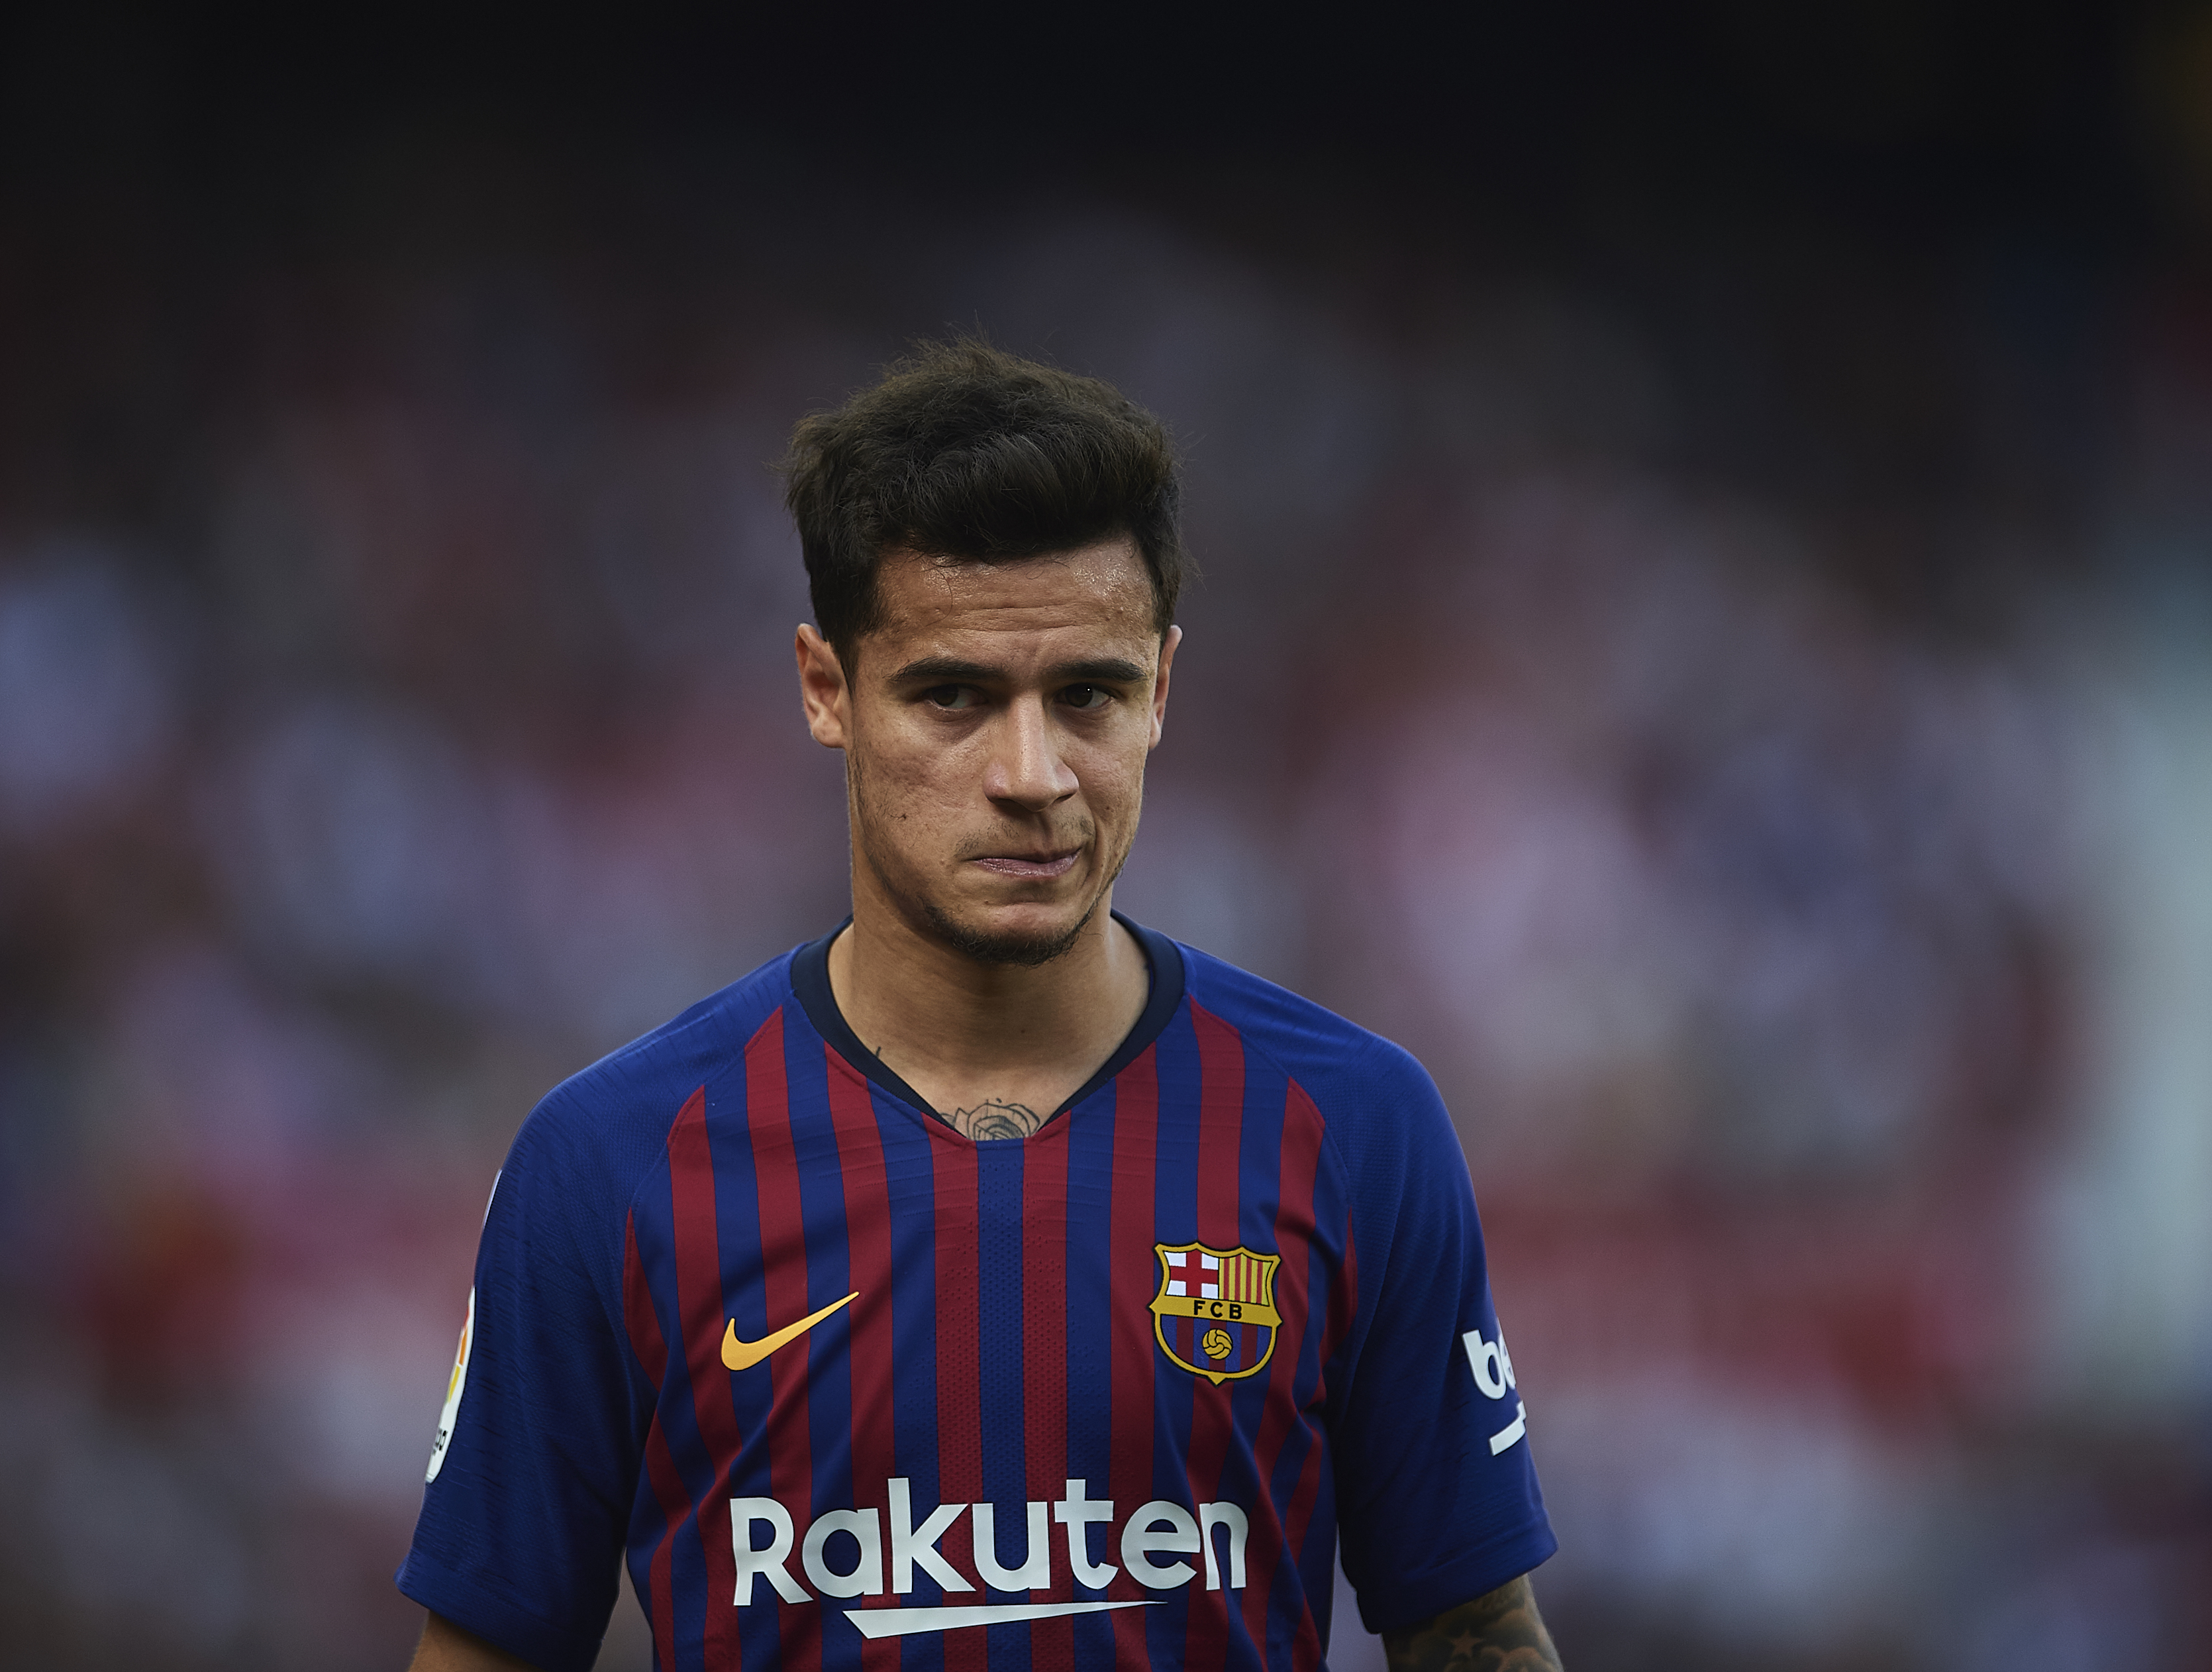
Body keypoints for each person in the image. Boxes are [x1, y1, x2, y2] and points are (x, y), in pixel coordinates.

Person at [397, 340, 1560, 1672]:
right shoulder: (606, 1159)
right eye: (953, 694)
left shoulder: (1352, 1123)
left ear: (1162, 690)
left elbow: (1471, 1630)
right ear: (825, 687)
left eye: (1088, 695)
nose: (1031, 771)